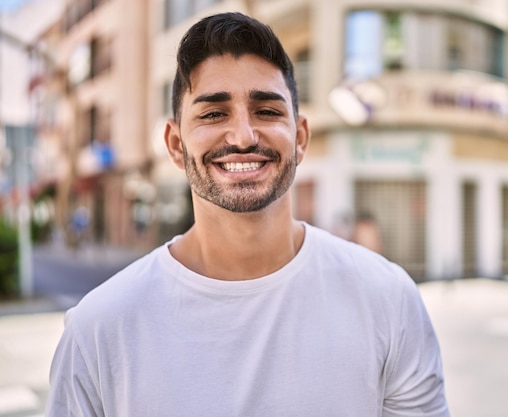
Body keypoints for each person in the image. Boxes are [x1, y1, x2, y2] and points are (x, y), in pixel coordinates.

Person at [45, 12, 449, 417]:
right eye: (213, 113)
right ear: (174, 144)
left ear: (301, 137)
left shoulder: (387, 299)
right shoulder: (98, 330)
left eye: (267, 111)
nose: (243, 137)